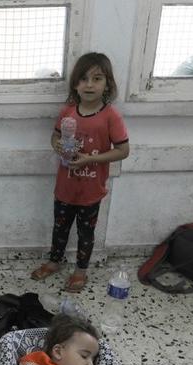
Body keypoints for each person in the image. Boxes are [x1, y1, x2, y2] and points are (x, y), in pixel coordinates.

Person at [30, 52, 130, 292]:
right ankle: (54, 262)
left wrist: (90, 159)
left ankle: (80, 271)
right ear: (75, 84)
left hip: (91, 191)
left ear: (107, 84)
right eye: (83, 79)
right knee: (60, 228)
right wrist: (57, 145)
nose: (89, 85)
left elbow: (123, 150)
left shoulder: (111, 116)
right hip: (65, 188)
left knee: (86, 233)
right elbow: (55, 136)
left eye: (97, 79)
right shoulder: (68, 112)